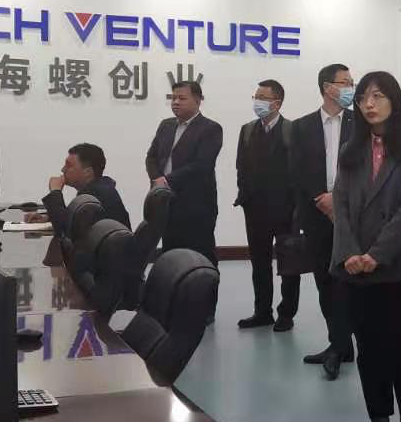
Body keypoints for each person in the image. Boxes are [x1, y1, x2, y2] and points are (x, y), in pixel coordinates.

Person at [331, 71, 401, 422]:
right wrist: (350, 254)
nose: (369, 104)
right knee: (369, 350)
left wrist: (376, 255)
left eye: (378, 96)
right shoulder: (351, 150)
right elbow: (341, 205)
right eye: (362, 98)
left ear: (395, 100)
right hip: (355, 268)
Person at [294, 64, 356, 379]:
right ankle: (340, 344)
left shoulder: (361, 123)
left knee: (348, 281)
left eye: (351, 82)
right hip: (316, 213)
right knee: (324, 281)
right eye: (345, 82)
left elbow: (367, 169)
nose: (350, 87)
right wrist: (321, 198)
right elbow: (297, 170)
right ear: (326, 87)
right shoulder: (301, 126)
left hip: (353, 215)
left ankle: (341, 345)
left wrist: (338, 199)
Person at [234, 79, 301, 332]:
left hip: (286, 211)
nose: (257, 102)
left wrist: (298, 208)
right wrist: (244, 196)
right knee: (259, 263)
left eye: (263, 97)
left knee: (289, 265)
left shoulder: (292, 130)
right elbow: (241, 166)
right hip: (255, 210)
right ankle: (262, 312)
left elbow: (300, 171)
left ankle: (286, 314)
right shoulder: (247, 130)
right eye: (256, 97)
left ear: (277, 103)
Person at [145, 80, 222, 263]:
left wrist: (166, 181)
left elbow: (201, 165)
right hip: (165, 201)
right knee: (170, 256)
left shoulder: (210, 128)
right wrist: (157, 179)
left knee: (200, 258)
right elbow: (151, 157)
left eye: (182, 98)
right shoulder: (166, 125)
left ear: (197, 100)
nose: (176, 102)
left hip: (196, 205)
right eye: (173, 98)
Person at [28, 143, 130, 233]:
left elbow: (65, 230)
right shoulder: (97, 189)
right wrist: (47, 217)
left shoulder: (97, 195)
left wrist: (55, 191)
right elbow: (74, 220)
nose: (63, 169)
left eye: (69, 166)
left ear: (87, 172)